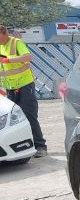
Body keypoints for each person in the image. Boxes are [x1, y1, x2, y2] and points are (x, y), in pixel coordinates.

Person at [0, 25, 47, 157]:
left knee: (29, 115)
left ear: (3, 33)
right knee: (13, 119)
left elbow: (28, 57)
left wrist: (8, 60)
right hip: (10, 88)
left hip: (25, 85)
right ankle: (20, 148)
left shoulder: (16, 42)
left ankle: (41, 146)